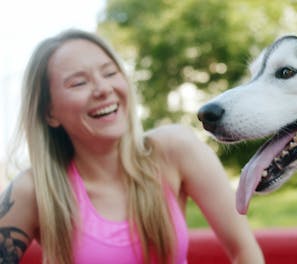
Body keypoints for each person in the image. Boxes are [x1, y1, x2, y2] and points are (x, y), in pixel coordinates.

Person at [0, 29, 264, 264]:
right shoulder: (32, 190)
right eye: (79, 82)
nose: (103, 88)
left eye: (110, 72)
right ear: (50, 113)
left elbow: (245, 252)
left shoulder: (175, 149)